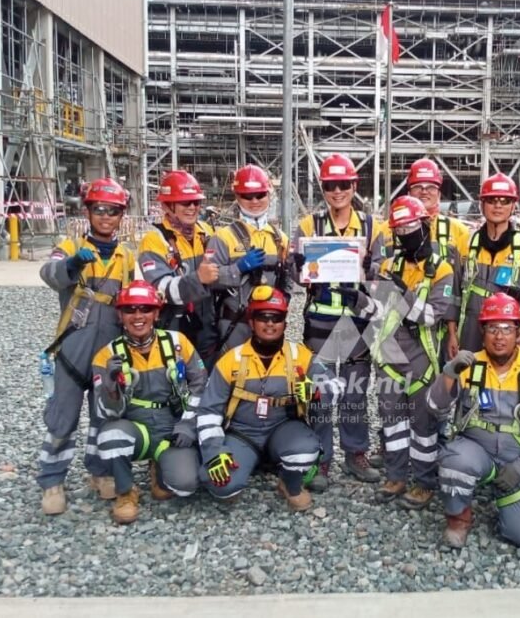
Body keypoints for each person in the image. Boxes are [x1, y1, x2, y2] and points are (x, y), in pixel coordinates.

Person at [427, 293, 520, 549]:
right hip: (475, 451)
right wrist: (449, 373)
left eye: (506, 328)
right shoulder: (469, 366)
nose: (500, 336)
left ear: (518, 331)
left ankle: (512, 503)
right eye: (493, 328)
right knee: (454, 459)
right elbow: (434, 407)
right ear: (483, 331)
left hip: (519, 460)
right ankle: (459, 518)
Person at [37, 178, 135, 515]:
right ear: (88, 211)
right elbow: (49, 274)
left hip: (106, 354)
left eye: (114, 211)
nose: (106, 217)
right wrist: (73, 264)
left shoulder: (126, 257)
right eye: (100, 210)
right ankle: (52, 480)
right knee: (62, 420)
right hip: (71, 351)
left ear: (122, 215)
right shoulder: (69, 246)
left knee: (103, 416)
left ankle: (100, 471)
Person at [195, 287, 339, 511]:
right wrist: (213, 451)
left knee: (305, 453)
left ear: (285, 322)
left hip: (282, 428)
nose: (270, 324)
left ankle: (290, 485)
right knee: (220, 484)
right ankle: (248, 462)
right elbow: (208, 412)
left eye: (277, 318)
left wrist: (315, 391)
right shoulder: (230, 360)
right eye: (263, 317)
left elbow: (336, 386)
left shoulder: (299, 355)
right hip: (242, 433)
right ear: (251, 322)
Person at [292, 153, 387, 491]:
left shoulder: (373, 226)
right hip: (319, 320)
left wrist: (365, 269)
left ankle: (355, 453)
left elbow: (383, 275)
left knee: (353, 395)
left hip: (356, 322)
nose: (337, 191)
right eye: (331, 185)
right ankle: (321, 458)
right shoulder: (309, 226)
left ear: (353, 186)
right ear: (323, 188)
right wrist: (300, 267)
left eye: (343, 185)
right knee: (320, 394)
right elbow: (294, 277)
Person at [361, 196, 455, 509]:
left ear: (425, 224)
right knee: (393, 423)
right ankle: (396, 476)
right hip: (388, 358)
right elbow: (378, 310)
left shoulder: (441, 270)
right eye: (399, 228)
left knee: (424, 427)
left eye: (412, 226)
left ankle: (425, 483)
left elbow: (431, 316)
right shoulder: (389, 265)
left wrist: (403, 293)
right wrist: (358, 300)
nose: (406, 233)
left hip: (421, 360)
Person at [92, 281, 206, 524]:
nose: (138, 316)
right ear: (120, 315)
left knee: (185, 485)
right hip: (137, 428)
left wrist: (188, 424)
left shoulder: (177, 343)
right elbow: (105, 413)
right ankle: (125, 492)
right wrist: (111, 386)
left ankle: (160, 469)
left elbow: (201, 386)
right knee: (110, 437)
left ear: (156, 313)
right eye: (130, 310)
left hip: (172, 429)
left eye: (145, 309)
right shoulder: (106, 355)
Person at [457, 172, 520, 354]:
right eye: (492, 200)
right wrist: (451, 333)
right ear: (482, 204)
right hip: (470, 333)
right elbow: (454, 294)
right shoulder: (465, 243)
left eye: (505, 200)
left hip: (511, 335)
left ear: (513, 206)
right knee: (468, 378)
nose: (498, 206)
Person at [206, 164, 290, 355]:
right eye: (247, 196)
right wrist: (237, 269)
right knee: (233, 375)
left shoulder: (279, 238)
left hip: (269, 325)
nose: (254, 201)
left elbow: (287, 279)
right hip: (235, 324)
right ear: (237, 197)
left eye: (260, 195)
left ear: (268, 195)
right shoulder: (222, 238)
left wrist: (285, 299)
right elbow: (208, 282)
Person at [139, 170, 218, 367]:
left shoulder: (207, 232)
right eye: (185, 202)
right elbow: (161, 289)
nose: (192, 207)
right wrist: (198, 279)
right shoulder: (154, 241)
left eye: (196, 202)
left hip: (207, 330)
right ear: (167, 205)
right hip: (173, 331)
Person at [405, 158, 471, 360]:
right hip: (406, 321)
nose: (424, 192)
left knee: (445, 379)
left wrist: (453, 332)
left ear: (439, 193)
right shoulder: (392, 229)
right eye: (418, 187)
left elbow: (461, 286)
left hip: (443, 323)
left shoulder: (458, 231)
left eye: (430, 187)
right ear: (409, 192)